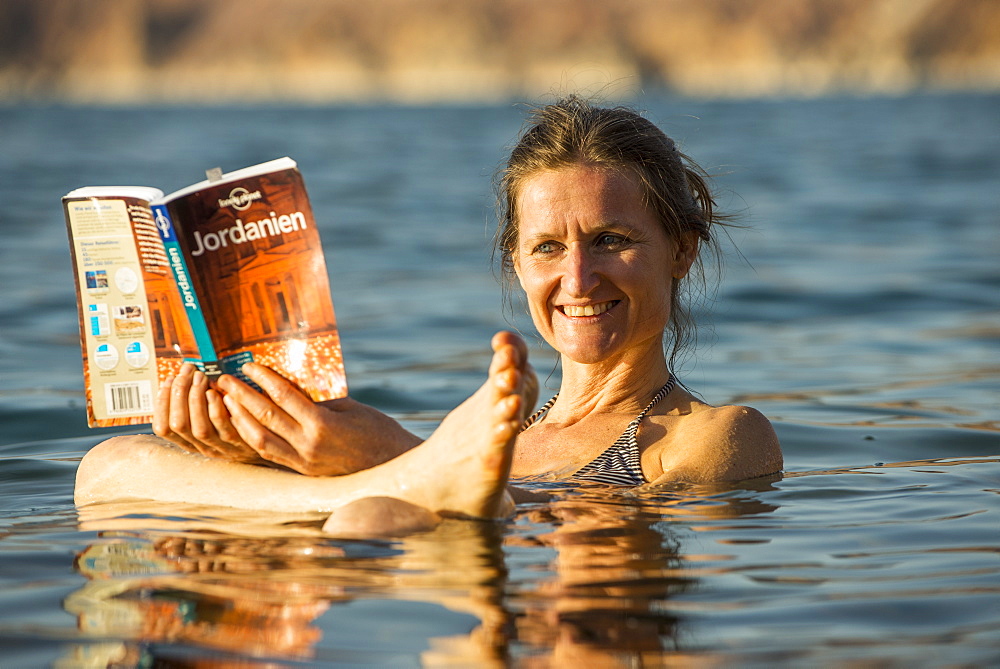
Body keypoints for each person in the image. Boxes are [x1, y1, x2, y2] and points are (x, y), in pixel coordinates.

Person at [76, 96, 782, 531]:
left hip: (482, 612)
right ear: (516, 263)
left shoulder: (719, 435)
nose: (577, 277)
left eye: (612, 241)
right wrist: (252, 447)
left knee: (374, 512)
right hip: (377, 541)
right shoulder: (493, 430)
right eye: (546, 247)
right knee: (109, 466)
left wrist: (393, 457)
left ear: (682, 251)